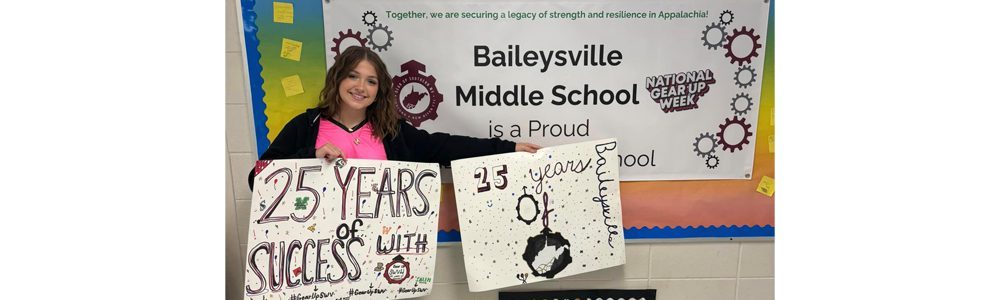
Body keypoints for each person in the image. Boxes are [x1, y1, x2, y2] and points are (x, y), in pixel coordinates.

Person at [249, 46, 540, 189]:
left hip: (380, 250)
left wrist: (508, 147)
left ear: (380, 89)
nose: (361, 87)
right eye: (353, 76)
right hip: (319, 254)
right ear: (337, 79)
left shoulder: (391, 131)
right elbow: (257, 178)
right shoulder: (306, 125)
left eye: (371, 81)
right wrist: (310, 155)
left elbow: (445, 146)